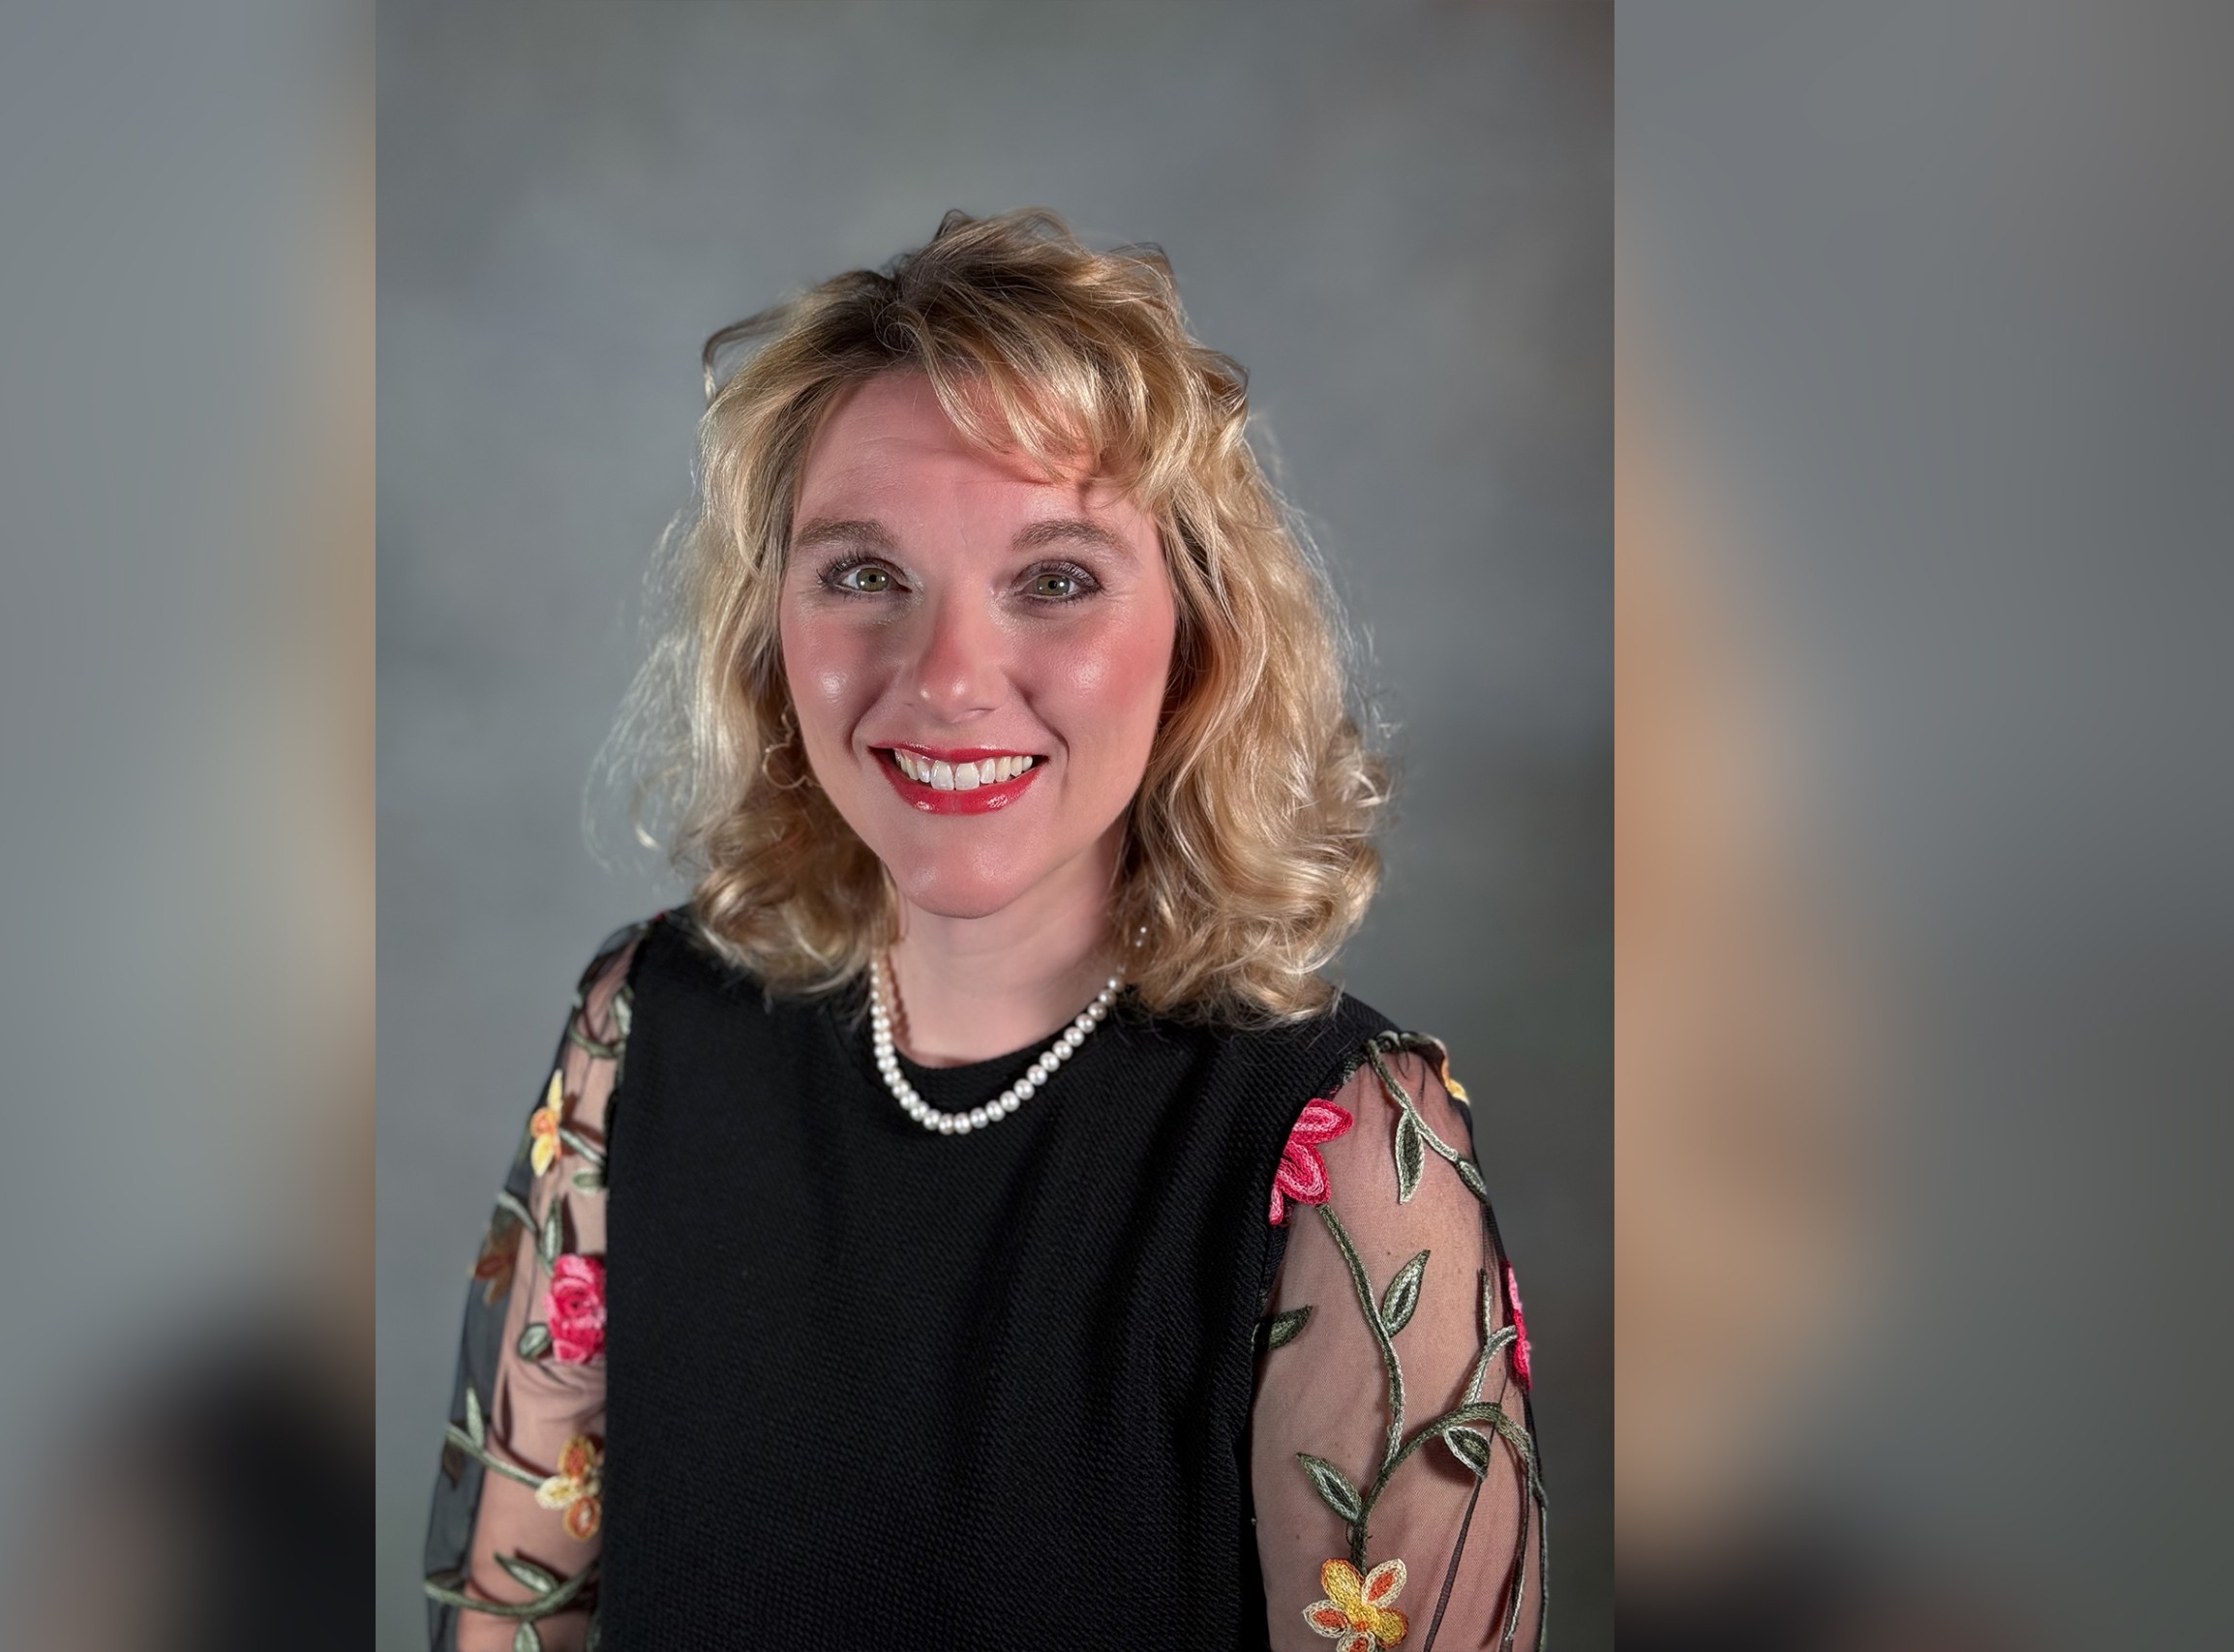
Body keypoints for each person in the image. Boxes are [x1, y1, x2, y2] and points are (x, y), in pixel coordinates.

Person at [421, 209, 1546, 1652]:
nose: (947, 679)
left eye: (1057, 579)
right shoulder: (642, 1034)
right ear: (772, 631)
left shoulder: (1347, 1153)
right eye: (864, 575)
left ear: (1199, 636)